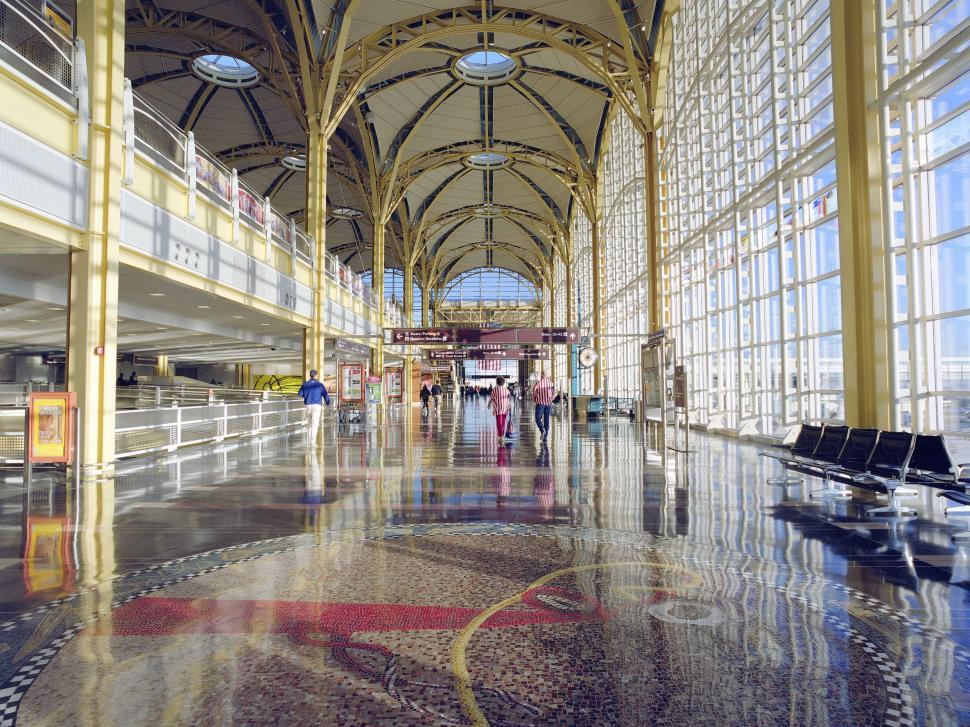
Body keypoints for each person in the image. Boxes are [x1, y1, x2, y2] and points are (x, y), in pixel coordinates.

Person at [298, 369, 330, 445]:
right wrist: (327, 402)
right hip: (317, 406)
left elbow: (300, 394)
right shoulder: (319, 385)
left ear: (310, 375)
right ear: (316, 375)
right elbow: (325, 394)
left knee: (309, 423)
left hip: (308, 405)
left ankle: (309, 441)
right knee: (315, 424)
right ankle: (312, 441)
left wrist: (306, 394)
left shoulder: (305, 384)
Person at [487, 376, 513, 442]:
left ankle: (500, 436)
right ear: (503, 382)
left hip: (498, 408)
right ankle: (502, 436)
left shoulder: (495, 389)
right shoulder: (506, 390)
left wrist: (489, 404)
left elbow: (492, 398)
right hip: (505, 408)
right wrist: (510, 407)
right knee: (503, 422)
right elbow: (509, 399)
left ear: (497, 382)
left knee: (499, 422)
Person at [532, 371, 555, 440]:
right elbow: (554, 393)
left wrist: (535, 400)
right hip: (548, 404)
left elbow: (534, 393)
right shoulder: (551, 383)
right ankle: (545, 436)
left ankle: (542, 430)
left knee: (538, 418)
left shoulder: (538, 383)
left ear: (541, 376)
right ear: (547, 376)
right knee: (546, 419)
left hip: (540, 404)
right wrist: (550, 400)